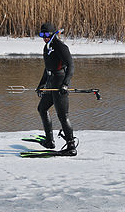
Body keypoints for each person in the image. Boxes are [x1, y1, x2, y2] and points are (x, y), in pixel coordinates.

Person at [36, 22, 77, 156]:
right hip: (51, 82)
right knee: (42, 108)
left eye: (46, 34)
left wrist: (65, 84)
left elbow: (71, 66)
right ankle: (49, 141)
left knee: (62, 115)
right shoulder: (46, 47)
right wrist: (41, 85)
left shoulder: (60, 46)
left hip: (60, 83)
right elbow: (48, 67)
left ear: (53, 33)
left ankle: (71, 146)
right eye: (42, 34)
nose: (44, 37)